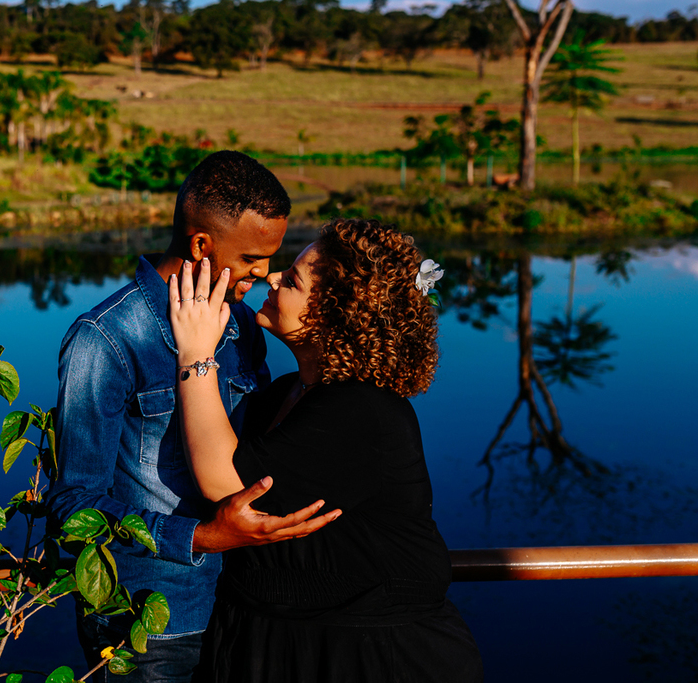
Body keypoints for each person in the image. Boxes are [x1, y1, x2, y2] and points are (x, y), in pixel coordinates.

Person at [46, 152, 337, 683]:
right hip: (148, 624)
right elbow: (73, 507)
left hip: (243, 610)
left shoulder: (243, 326)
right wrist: (203, 537)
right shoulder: (107, 338)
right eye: (251, 256)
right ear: (201, 244)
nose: (265, 272)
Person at [168, 218, 484, 682]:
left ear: (334, 312)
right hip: (275, 642)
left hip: (370, 657)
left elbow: (224, 481)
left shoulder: (362, 412)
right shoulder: (285, 394)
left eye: (292, 279)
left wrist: (195, 352)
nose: (272, 278)